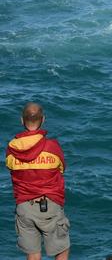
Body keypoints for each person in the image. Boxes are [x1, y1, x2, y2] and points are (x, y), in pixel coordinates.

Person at [5, 103, 70, 260]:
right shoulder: (52, 147)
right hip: (50, 203)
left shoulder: (12, 149)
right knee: (62, 248)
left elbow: (12, 170)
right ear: (43, 119)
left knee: (33, 253)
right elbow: (61, 169)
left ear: (22, 120)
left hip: (24, 206)